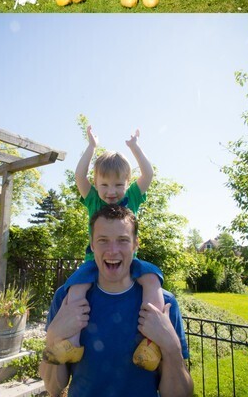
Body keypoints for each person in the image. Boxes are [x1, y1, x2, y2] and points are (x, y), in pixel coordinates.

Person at [44, 126, 165, 371]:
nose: (111, 192)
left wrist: (135, 148)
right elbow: (79, 176)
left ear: (127, 183)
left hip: (129, 260)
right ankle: (72, 344)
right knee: (76, 290)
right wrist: (91, 147)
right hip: (94, 261)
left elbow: (149, 174)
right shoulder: (93, 200)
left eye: (118, 184)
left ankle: (151, 344)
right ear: (96, 184)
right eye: (105, 184)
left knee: (152, 280)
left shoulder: (132, 196)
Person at [40, 204, 193, 397]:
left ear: (135, 244)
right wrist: (53, 336)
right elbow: (53, 387)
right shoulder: (66, 299)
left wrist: (172, 347)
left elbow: (180, 395)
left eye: (122, 240)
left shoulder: (163, 304)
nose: (112, 250)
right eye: (103, 240)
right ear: (92, 244)